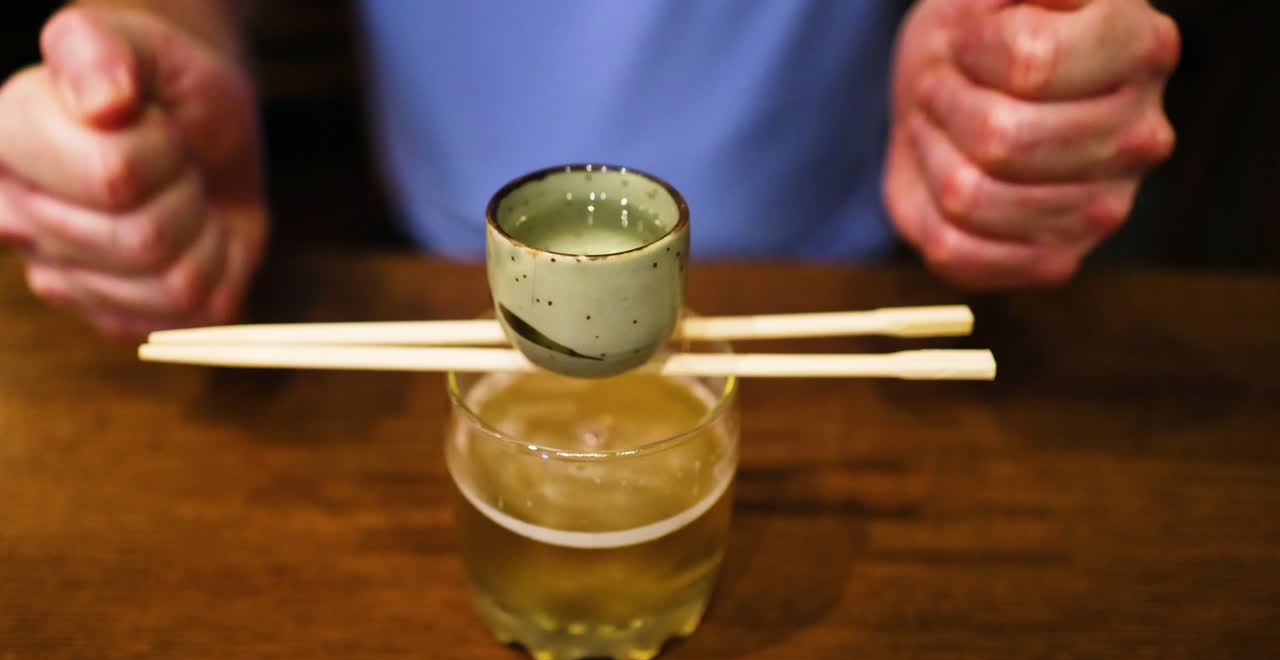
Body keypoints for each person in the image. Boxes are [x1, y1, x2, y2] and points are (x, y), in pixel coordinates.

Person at [0, 0, 1179, 337]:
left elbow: (1036, 25)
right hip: (438, 262)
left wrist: (1019, 62)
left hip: (854, 263)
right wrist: (158, 47)